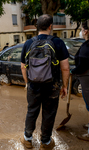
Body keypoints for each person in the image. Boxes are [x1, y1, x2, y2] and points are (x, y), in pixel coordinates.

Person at [20, 14, 70, 149]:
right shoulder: (58, 42)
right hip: (52, 87)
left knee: (32, 112)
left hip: (33, 86)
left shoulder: (28, 43)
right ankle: (45, 142)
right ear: (50, 26)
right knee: (49, 114)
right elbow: (65, 69)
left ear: (37, 27)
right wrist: (64, 86)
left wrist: (27, 83)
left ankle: (27, 139)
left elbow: (23, 67)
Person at [71, 21, 89, 141]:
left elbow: (82, 65)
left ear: (86, 31)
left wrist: (73, 71)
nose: (81, 32)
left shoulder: (87, 47)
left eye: (82, 29)